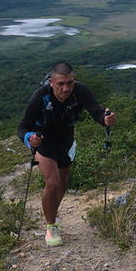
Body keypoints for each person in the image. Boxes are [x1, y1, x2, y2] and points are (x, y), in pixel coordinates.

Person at [17, 62, 115, 247]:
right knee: (52, 182)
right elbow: (23, 127)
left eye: (70, 82)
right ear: (51, 83)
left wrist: (106, 118)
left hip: (66, 142)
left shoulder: (80, 91)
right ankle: (51, 225)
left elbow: (96, 112)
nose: (66, 88)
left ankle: (52, 214)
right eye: (61, 83)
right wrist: (29, 138)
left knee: (62, 183)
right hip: (43, 141)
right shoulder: (41, 96)